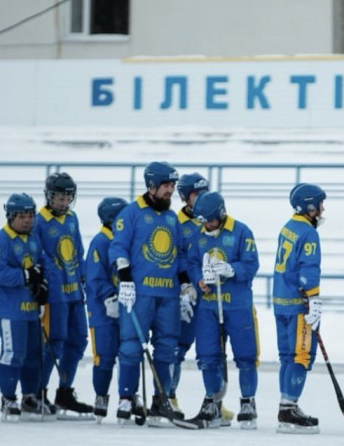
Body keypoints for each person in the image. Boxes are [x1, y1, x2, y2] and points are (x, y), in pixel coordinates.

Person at [108, 161, 182, 425]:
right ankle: (126, 397)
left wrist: (184, 281)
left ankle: (159, 401)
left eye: (172, 186)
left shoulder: (172, 218)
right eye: (166, 185)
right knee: (130, 346)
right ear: (151, 186)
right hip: (139, 293)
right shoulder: (131, 213)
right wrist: (124, 276)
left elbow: (179, 253)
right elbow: (118, 247)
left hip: (168, 294)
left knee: (167, 348)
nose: (170, 191)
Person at [187, 192, 261, 429]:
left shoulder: (241, 232)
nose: (206, 225)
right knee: (208, 357)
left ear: (220, 214)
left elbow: (252, 265)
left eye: (210, 220)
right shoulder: (198, 237)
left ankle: (248, 402)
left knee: (246, 356)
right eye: (203, 221)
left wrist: (231, 269)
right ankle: (213, 403)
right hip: (209, 306)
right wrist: (199, 279)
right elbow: (191, 263)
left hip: (237, 306)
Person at [0, 193, 53, 422]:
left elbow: (43, 263)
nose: (27, 220)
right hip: (9, 309)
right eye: (22, 216)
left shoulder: (33, 238)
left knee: (35, 355)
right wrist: (25, 275)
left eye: (30, 216)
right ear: (11, 216)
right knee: (13, 353)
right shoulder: (0, 240)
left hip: (31, 309)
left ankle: (29, 396)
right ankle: (7, 397)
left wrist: (42, 283)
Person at [33, 172, 93, 419]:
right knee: (54, 343)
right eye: (58, 197)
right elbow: (39, 256)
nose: (63, 201)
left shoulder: (72, 218)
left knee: (79, 340)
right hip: (55, 294)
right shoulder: (39, 222)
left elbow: (78, 250)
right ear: (49, 196)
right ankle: (38, 392)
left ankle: (65, 392)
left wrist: (83, 275)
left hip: (74, 292)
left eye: (67, 197)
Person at [272, 183, 326, 434]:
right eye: (320, 204)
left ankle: (286, 403)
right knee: (301, 356)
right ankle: (289, 408)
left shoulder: (288, 226)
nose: (323, 209)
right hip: (298, 305)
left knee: (287, 356)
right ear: (310, 207)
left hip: (281, 302)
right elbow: (308, 269)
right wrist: (313, 299)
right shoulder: (308, 232)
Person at [84, 196, 128, 423]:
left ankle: (128, 396)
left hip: (126, 306)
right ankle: (101, 396)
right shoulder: (100, 242)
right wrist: (108, 297)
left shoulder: (127, 241)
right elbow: (94, 277)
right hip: (103, 310)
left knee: (129, 353)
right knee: (105, 354)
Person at [170, 172, 209, 418]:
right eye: (197, 194)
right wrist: (185, 283)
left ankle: (213, 399)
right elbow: (175, 256)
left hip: (210, 293)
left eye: (205, 192)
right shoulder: (176, 223)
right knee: (178, 347)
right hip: (187, 293)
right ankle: (169, 395)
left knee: (211, 350)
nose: (202, 198)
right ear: (185, 197)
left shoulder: (213, 218)